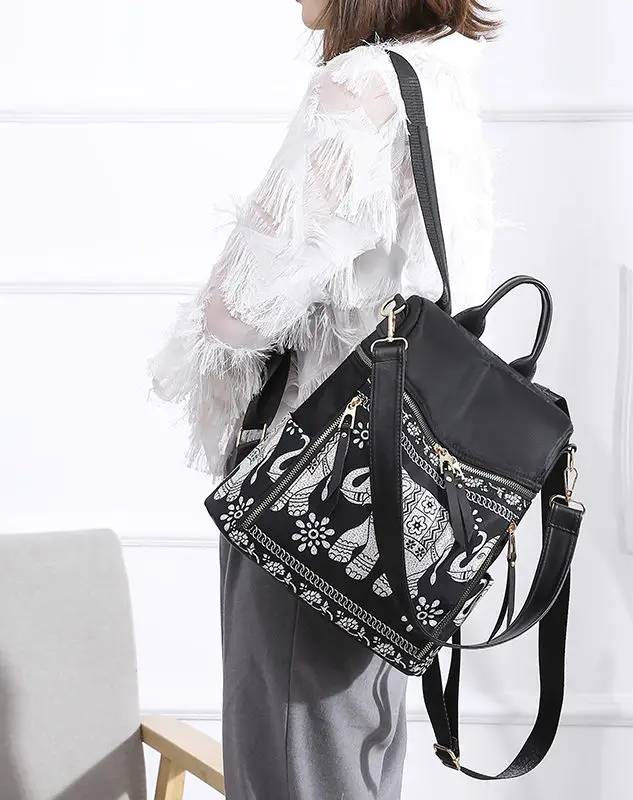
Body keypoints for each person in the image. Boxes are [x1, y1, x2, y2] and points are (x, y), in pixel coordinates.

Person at [147, 1, 499, 797]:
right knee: (354, 765)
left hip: (309, 497)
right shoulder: (442, 83)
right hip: (400, 514)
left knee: (291, 768)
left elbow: (235, 314)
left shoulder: (363, 83)